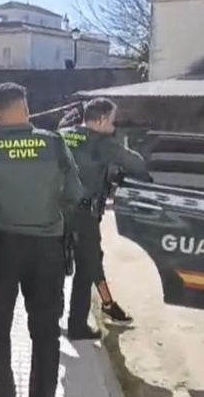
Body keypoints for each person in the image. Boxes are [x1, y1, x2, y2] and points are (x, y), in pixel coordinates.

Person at [0, 82, 83, 397]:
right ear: (26, 108)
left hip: (1, 250)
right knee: (45, 332)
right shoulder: (54, 144)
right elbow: (75, 193)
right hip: (48, 250)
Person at [58, 97, 151, 340]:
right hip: (83, 216)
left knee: (53, 266)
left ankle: (50, 320)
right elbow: (136, 164)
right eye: (111, 120)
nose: (113, 126)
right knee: (87, 266)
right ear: (100, 120)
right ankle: (77, 326)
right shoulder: (102, 143)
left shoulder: (61, 134)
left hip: (55, 212)